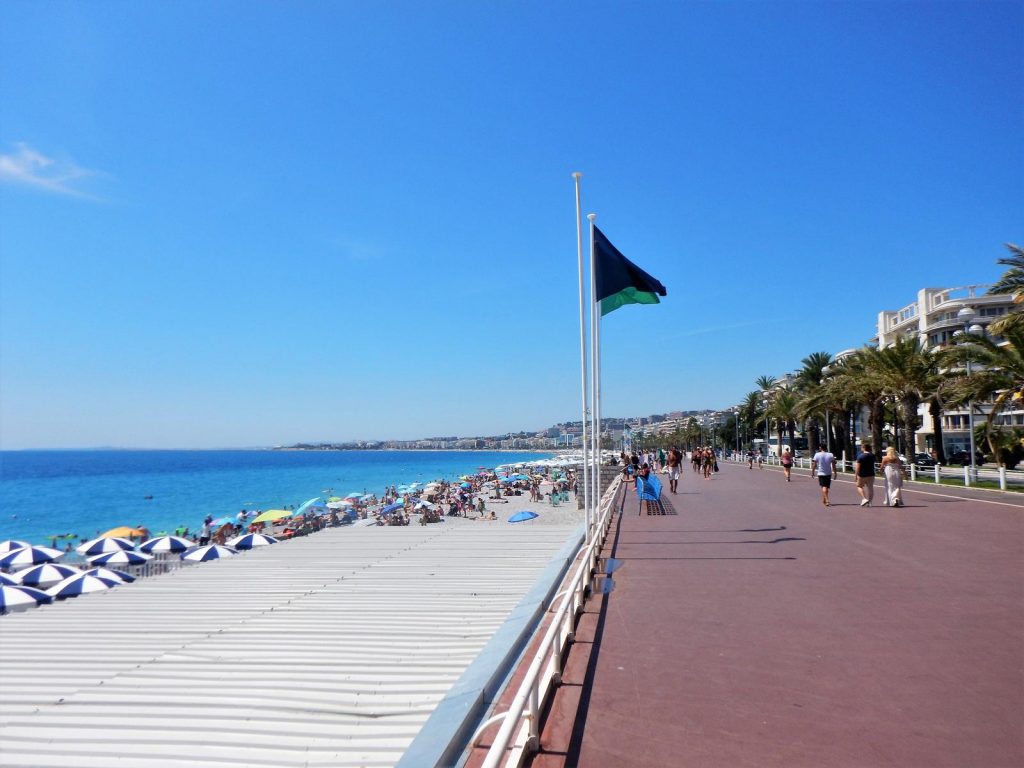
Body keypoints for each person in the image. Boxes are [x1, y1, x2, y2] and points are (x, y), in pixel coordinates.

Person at [854, 442, 877, 507]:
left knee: (859, 486)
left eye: (861, 447)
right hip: (871, 474)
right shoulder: (872, 455)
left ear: (864, 448)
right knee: (870, 488)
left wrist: (856, 475)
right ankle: (870, 502)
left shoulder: (860, 456)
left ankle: (864, 499)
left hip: (862, 475)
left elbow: (858, 467)